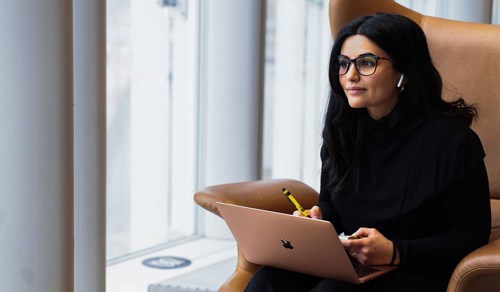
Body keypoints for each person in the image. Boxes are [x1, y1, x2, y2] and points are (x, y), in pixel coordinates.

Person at [245, 13, 491, 292]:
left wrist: (394, 251)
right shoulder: (343, 127)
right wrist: (318, 219)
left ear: (404, 71)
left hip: (419, 267)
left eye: (366, 63)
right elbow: (333, 204)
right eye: (343, 63)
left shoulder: (451, 141)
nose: (350, 76)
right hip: (355, 260)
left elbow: (472, 235)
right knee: (266, 282)